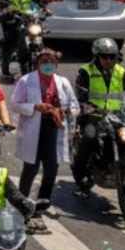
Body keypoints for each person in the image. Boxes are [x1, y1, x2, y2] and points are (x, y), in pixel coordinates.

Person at [71, 37, 125, 191]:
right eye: (104, 56)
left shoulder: (120, 71)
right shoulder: (86, 71)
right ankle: (79, 172)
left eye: (112, 57)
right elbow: (81, 94)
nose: (108, 60)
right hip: (94, 116)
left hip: (117, 115)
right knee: (90, 137)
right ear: (97, 56)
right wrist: (87, 107)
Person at [10, 49, 78, 232]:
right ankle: (22, 201)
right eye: (44, 62)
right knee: (30, 168)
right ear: (37, 64)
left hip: (54, 128)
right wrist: (35, 107)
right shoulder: (26, 81)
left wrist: (65, 111)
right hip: (34, 128)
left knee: (52, 167)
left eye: (52, 62)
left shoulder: (62, 83)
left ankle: (42, 202)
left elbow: (74, 105)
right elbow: (15, 104)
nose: (48, 65)